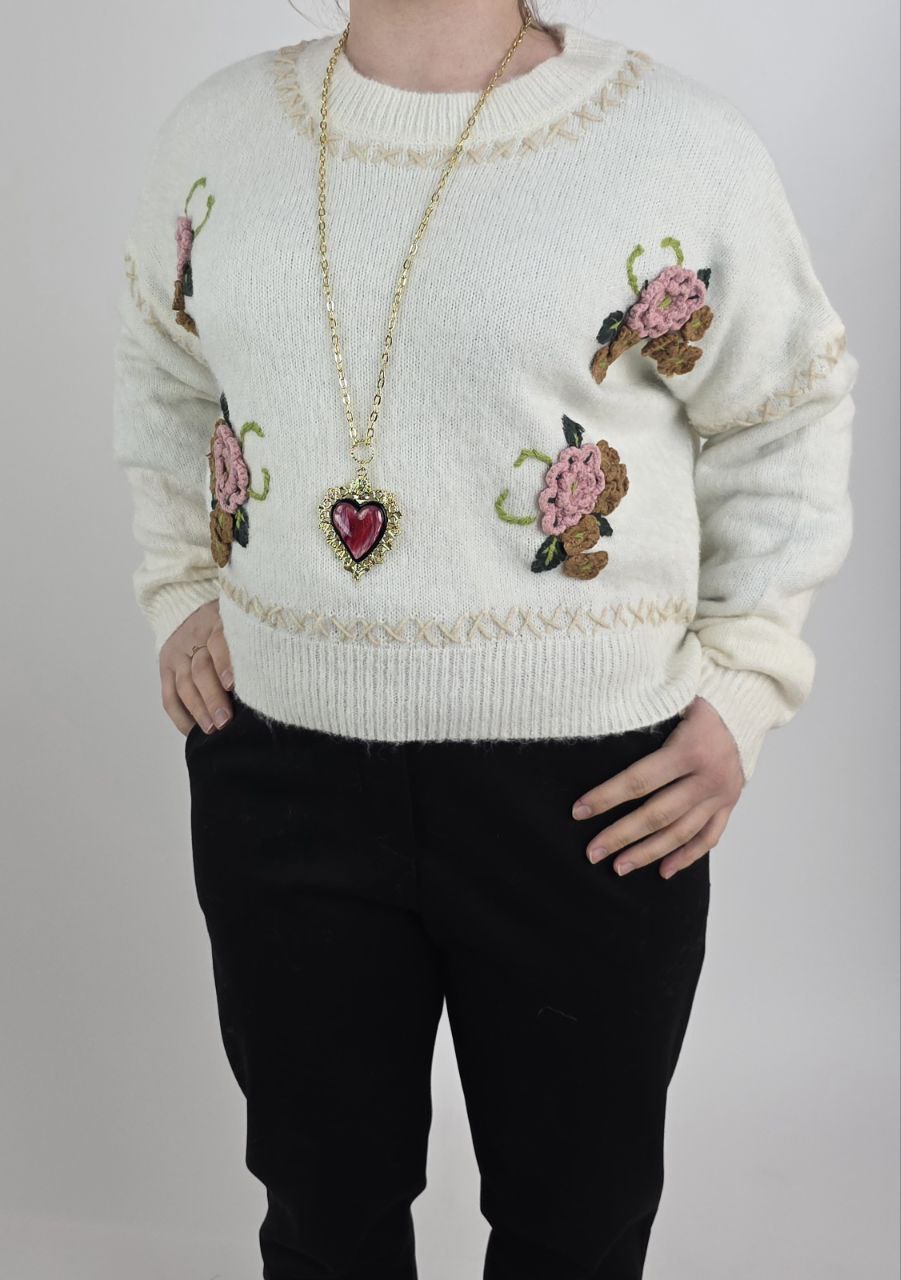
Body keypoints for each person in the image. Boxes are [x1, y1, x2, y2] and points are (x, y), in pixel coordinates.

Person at [112, 1, 857, 1276]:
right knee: (321, 1217)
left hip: (593, 794)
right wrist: (182, 584)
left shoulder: (674, 143)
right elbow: (165, 375)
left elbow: (785, 412)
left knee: (576, 1224)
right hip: (277, 769)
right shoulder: (216, 135)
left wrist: (743, 684)